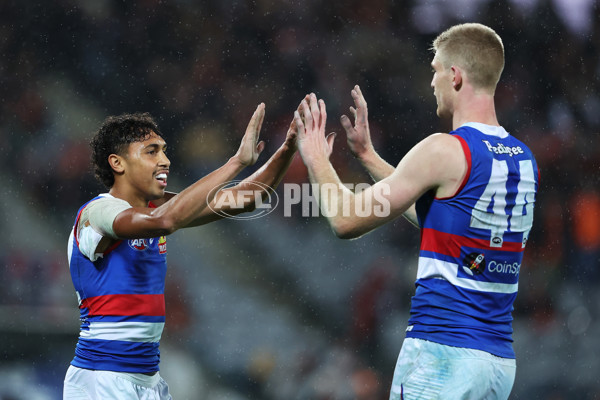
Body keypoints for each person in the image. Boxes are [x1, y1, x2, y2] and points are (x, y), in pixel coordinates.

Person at [294, 23, 539, 399]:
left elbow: (345, 220)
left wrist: (315, 159)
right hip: (496, 363)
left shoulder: (443, 149)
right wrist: (369, 157)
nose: (432, 83)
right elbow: (441, 221)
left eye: (436, 71)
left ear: (455, 76)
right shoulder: (524, 160)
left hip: (441, 354)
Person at [64, 103, 299, 399]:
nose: (164, 160)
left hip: (146, 380)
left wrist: (288, 148)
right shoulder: (97, 212)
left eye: (163, 150)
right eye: (151, 151)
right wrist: (236, 162)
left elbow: (245, 199)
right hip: (102, 378)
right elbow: (165, 221)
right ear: (117, 163)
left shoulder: (155, 208)